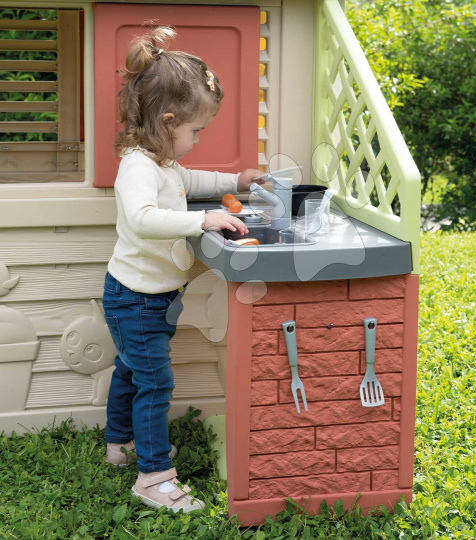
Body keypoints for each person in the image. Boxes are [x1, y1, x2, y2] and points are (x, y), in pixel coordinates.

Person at [101, 26, 263, 513]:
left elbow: (192, 180)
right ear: (168, 121)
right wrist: (203, 220)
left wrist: (236, 180)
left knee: (131, 369)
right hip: (136, 299)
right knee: (154, 384)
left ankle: (120, 442)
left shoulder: (163, 162)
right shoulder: (138, 167)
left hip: (150, 297)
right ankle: (153, 478)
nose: (197, 139)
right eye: (196, 131)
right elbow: (142, 218)